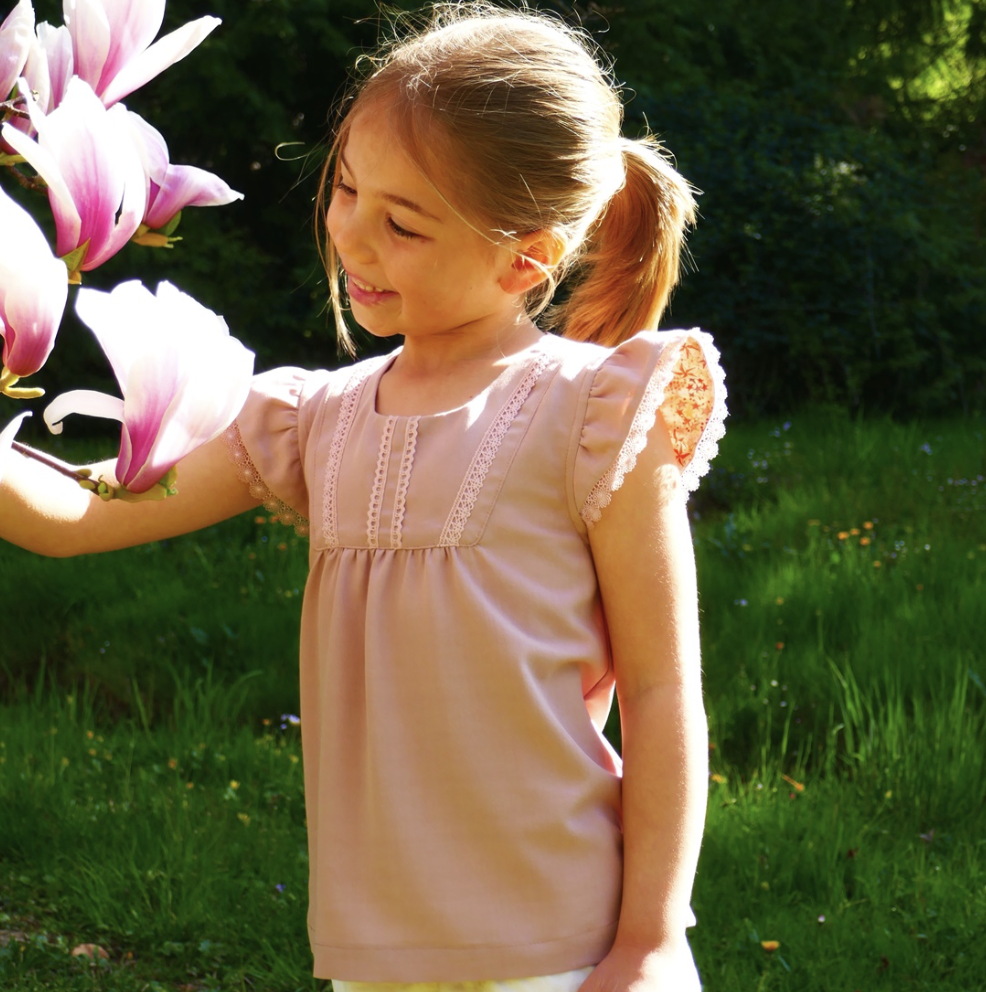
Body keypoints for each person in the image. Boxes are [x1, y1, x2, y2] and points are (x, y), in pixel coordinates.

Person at [0, 3, 726, 990]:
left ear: (526, 257)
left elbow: (658, 690)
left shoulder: (594, 409)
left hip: (569, 952)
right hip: (370, 958)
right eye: (345, 188)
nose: (351, 235)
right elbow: (73, 516)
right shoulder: (311, 419)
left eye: (403, 222)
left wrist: (649, 938)